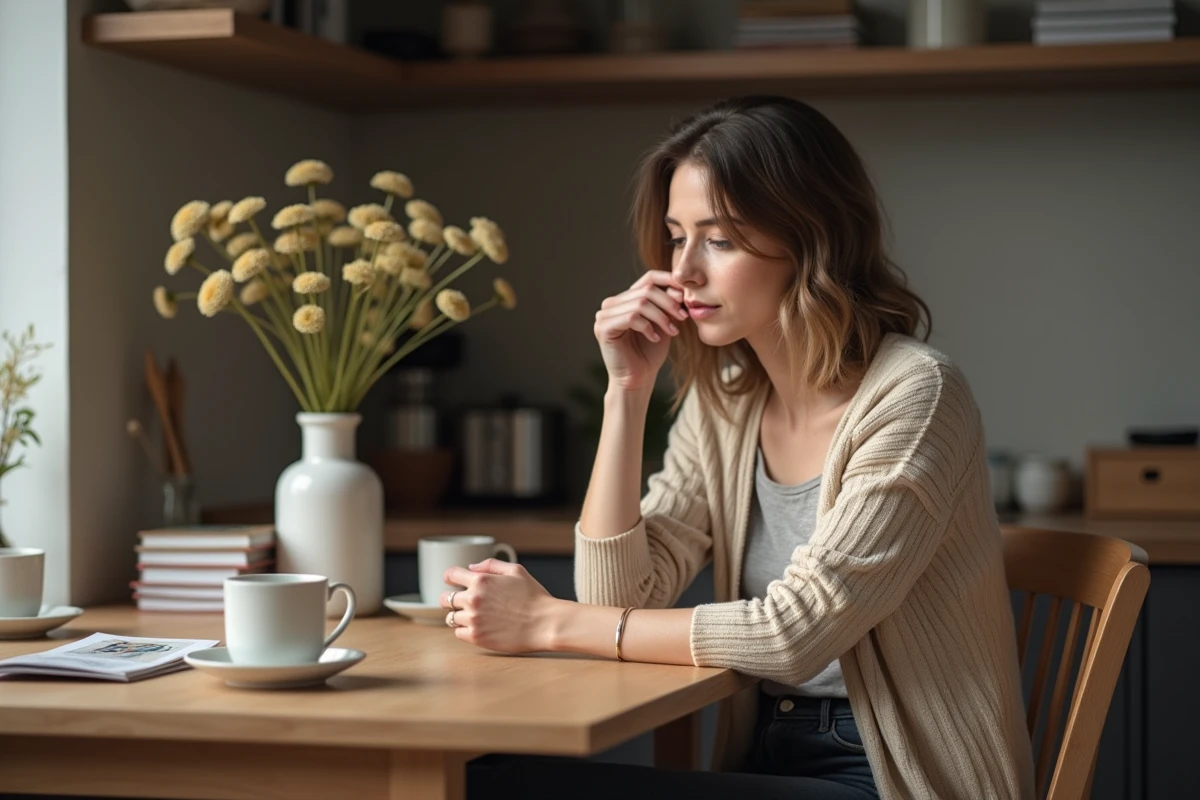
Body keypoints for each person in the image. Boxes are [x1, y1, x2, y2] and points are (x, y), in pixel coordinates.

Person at [445, 95, 1036, 800]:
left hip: (894, 775)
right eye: (675, 236)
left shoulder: (915, 395)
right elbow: (619, 594)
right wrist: (626, 393)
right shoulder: (727, 395)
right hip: (766, 752)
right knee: (478, 779)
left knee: (496, 789)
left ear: (812, 240)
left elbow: (794, 635)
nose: (685, 270)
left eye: (719, 240)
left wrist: (550, 624)